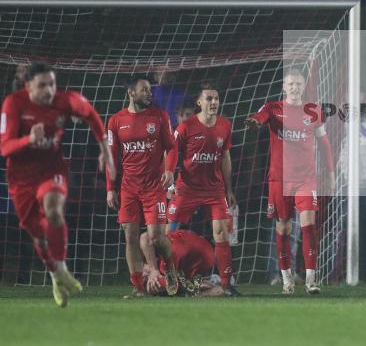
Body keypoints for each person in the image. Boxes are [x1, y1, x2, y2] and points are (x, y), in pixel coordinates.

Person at [1, 62, 115, 307]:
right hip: (21, 179)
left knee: (54, 210)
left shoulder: (63, 101)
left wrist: (105, 149)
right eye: (42, 85)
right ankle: (55, 277)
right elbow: (5, 147)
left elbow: (90, 114)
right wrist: (28, 139)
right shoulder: (13, 104)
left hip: (52, 169)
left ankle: (62, 267)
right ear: (28, 86)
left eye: (52, 84)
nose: (49, 90)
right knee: (39, 238)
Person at [246, 69, 335, 294]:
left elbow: (324, 144)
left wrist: (331, 173)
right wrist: (254, 123)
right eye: (291, 84)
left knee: (309, 227)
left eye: (298, 84)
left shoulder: (313, 111)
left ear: (303, 86)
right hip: (280, 179)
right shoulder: (273, 108)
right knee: (283, 229)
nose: (294, 87)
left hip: (306, 178)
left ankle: (311, 280)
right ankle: (286, 280)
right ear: (284, 87)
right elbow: (260, 118)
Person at [106, 75, 177, 298]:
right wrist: (110, 187)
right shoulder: (116, 121)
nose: (149, 93)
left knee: (155, 235)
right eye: (144, 90)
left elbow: (172, 148)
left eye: (149, 89)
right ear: (131, 93)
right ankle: (137, 288)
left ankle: (171, 270)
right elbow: (111, 156)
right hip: (129, 188)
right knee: (130, 237)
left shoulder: (159, 116)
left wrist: (169, 170)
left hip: (154, 186)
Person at [165, 84, 238, 296]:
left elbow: (225, 157)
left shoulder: (224, 125)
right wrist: (169, 174)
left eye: (216, 98)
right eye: (209, 99)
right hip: (186, 189)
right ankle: (167, 277)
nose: (213, 102)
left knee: (221, 232)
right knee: (168, 233)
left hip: (214, 190)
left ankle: (226, 284)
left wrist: (228, 189)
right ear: (200, 102)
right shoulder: (185, 127)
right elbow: (171, 151)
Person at [339, 91, 366, 283]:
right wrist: (340, 175)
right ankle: (338, 274)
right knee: (343, 230)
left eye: (359, 94)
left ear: (365, 97)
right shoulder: (339, 120)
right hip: (349, 185)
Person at [140, 228, 223, 297]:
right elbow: (145, 237)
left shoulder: (159, 258)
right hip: (202, 250)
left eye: (143, 275)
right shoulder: (162, 261)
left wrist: (153, 270)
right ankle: (205, 284)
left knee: (173, 283)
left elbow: (145, 237)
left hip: (199, 251)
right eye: (145, 279)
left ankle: (205, 283)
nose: (145, 275)